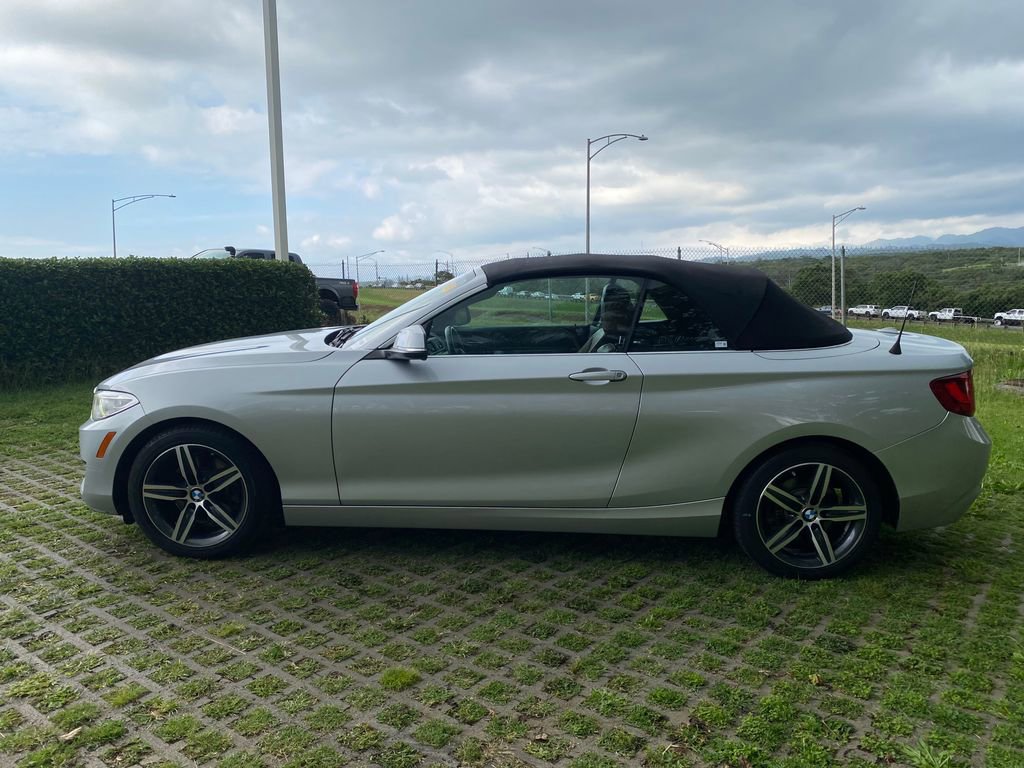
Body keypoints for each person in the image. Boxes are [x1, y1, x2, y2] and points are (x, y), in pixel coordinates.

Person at [579, 283, 635, 352]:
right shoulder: (600, 333)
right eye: (605, 309)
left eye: (609, 309)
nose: (602, 316)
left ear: (619, 316)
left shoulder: (613, 348)